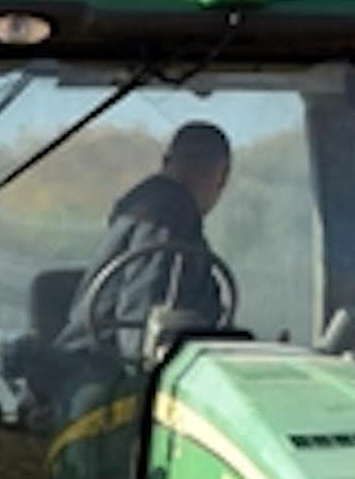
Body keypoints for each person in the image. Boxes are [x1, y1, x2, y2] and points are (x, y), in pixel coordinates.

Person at [62, 121, 235, 346]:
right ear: (222, 177)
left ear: (166, 161)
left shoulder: (145, 205)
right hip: (107, 367)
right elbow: (141, 318)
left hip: (90, 359)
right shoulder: (169, 213)